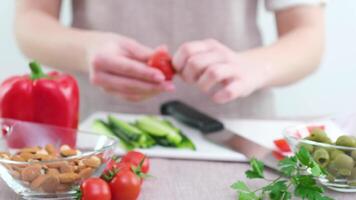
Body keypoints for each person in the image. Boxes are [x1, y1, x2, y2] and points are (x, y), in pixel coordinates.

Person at [14, 0, 325, 118]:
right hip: (100, 130)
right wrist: (86, 49)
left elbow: (308, 35)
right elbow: (30, 18)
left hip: (238, 133)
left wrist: (253, 67)